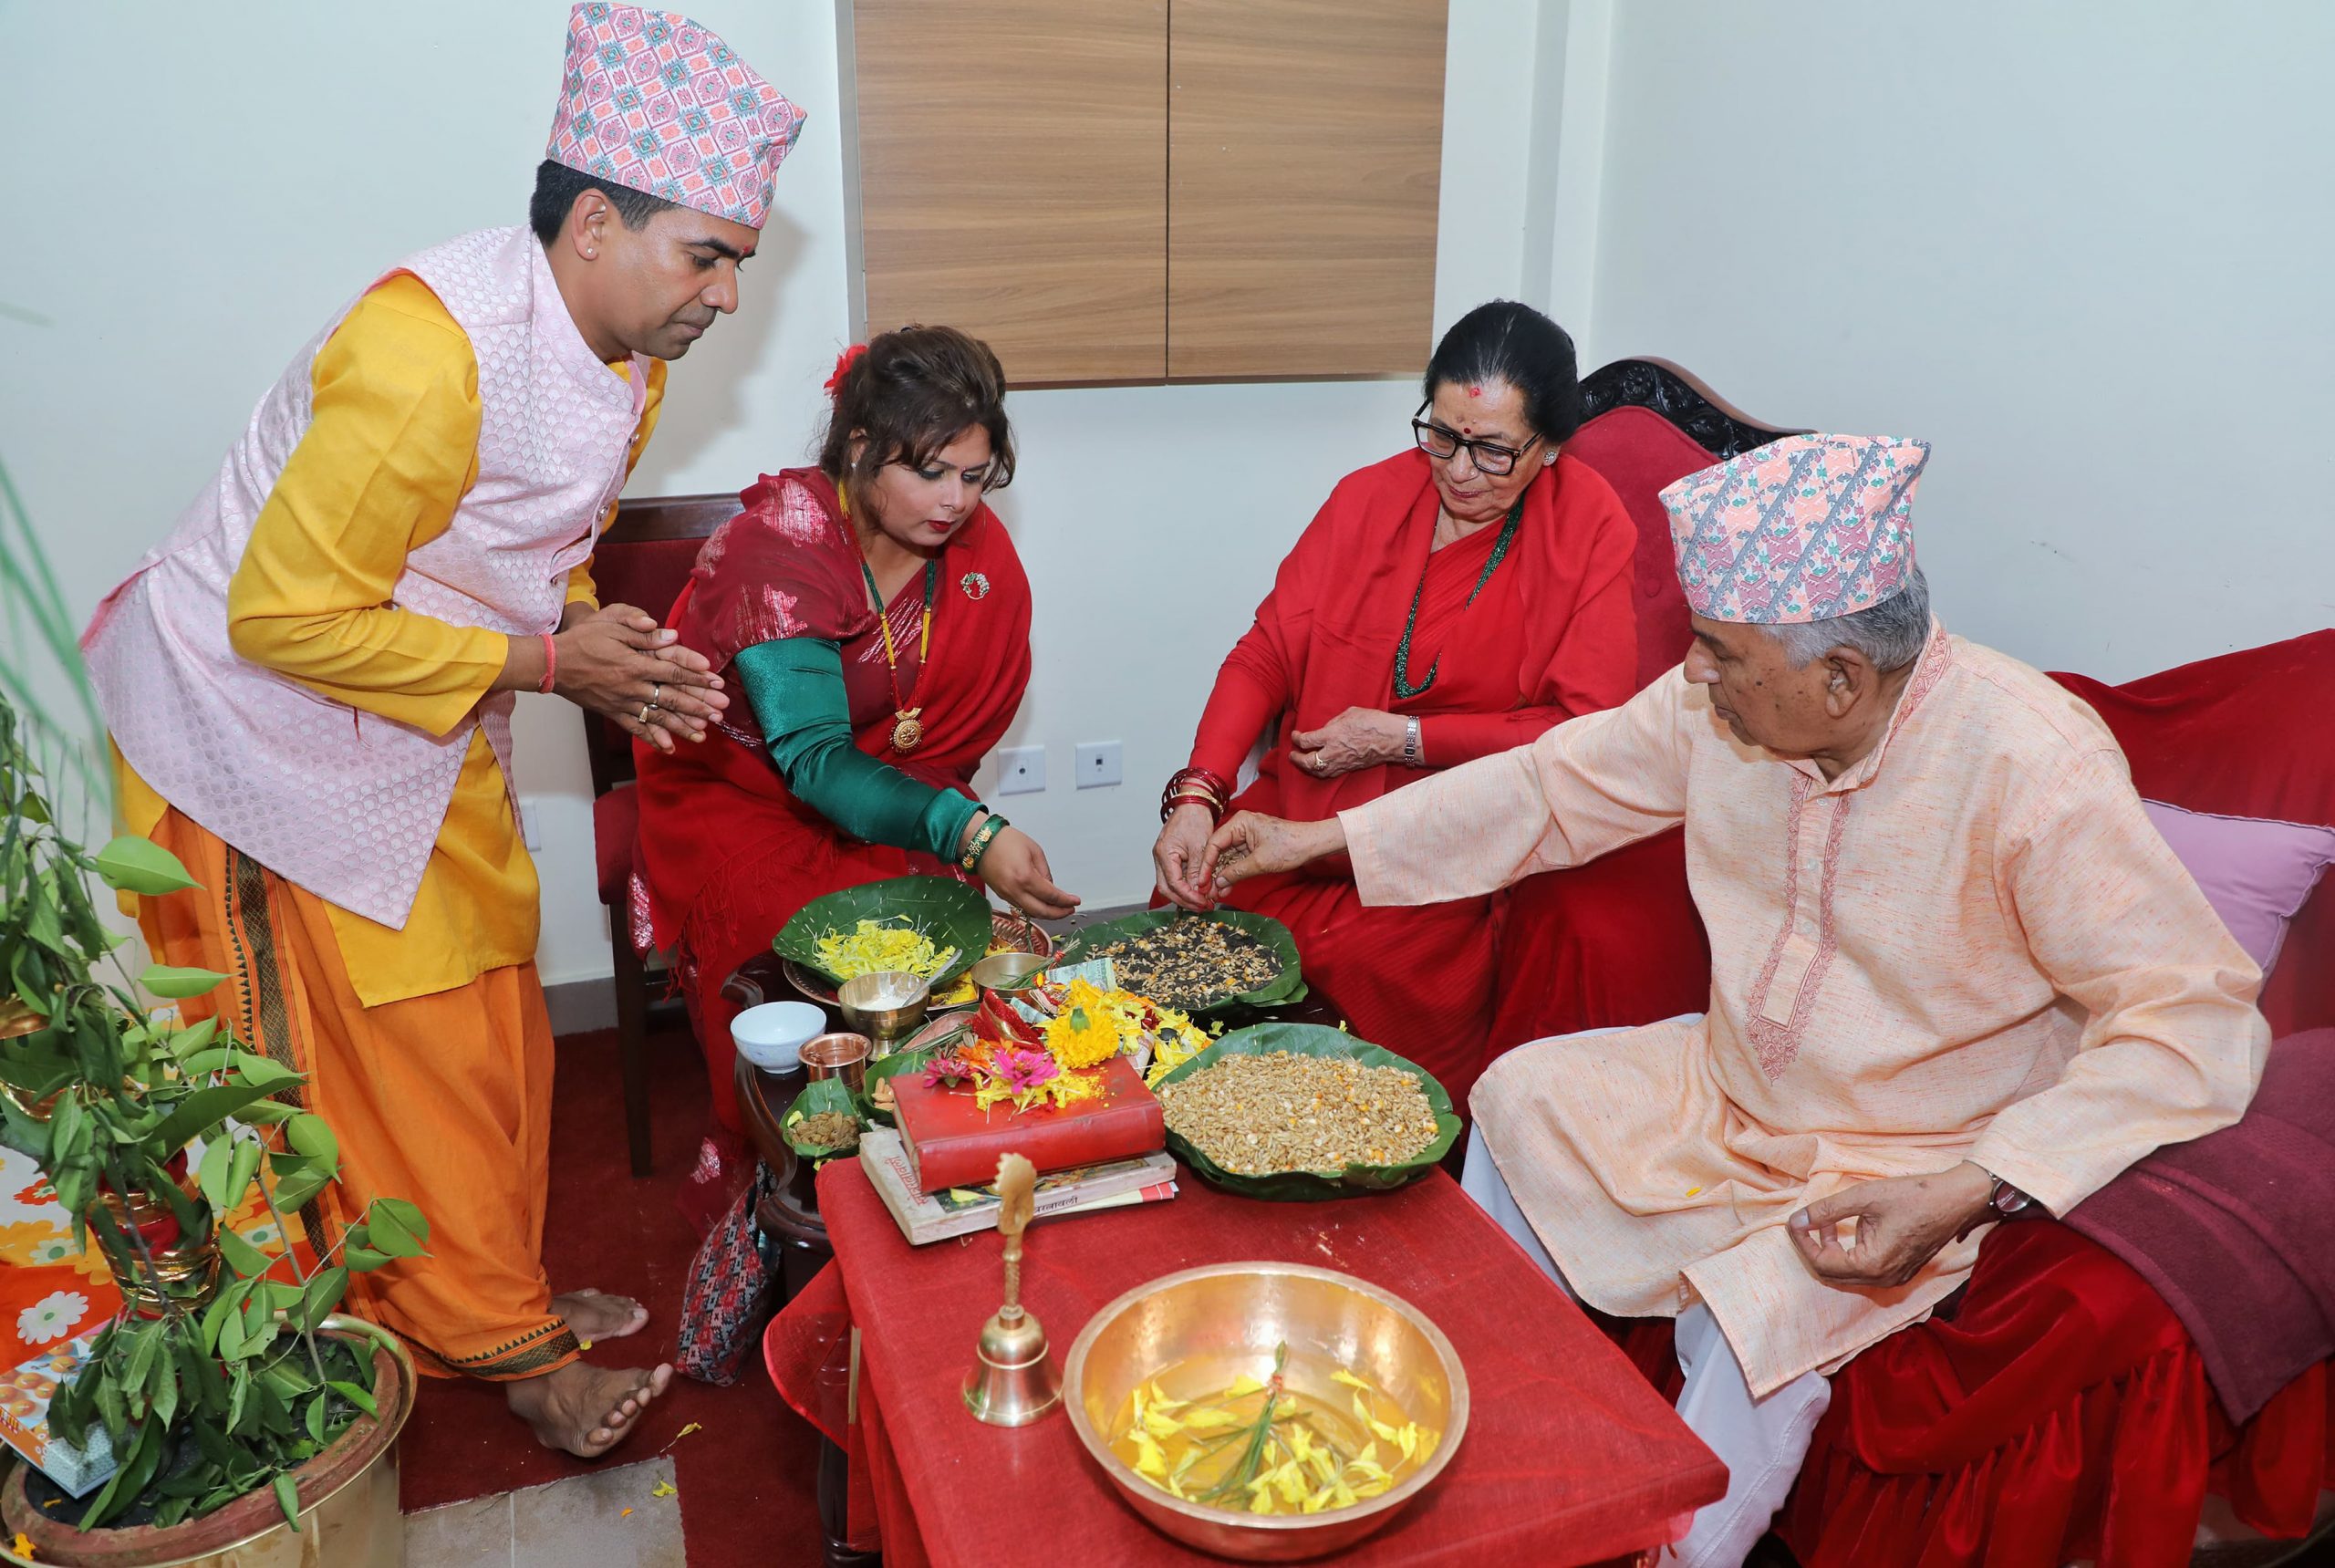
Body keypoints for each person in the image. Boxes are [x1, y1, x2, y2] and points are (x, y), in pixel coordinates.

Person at [1199, 433, 2268, 1565]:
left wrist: (1967, 1191)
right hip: (1728, 1082)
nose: (1692, 674)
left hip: (1908, 1145)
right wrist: (1317, 841)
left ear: (1839, 677)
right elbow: (1550, 784)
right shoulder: (1725, 710)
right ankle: (1496, 1403)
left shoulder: (2032, 769)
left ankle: (1658, 1548)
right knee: (1519, 1098)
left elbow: (2192, 1016)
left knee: (1756, 1310)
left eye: (1717, 652)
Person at [78, 4, 804, 1459]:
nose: (726, 294)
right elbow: (280, 617)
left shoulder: (629, 359)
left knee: (489, 1020)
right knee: (375, 1057)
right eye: (706, 253)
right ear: (595, 221)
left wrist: (610, 641)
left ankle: (487, 1292)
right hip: (249, 730)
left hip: (406, 714)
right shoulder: (427, 353)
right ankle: (507, 1354)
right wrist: (551, 659)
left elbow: (541, 532)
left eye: (740, 261)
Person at [1151, 301, 1639, 1108]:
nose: (1456, 469)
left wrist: (1407, 737)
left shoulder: (1590, 530)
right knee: (1194, 916)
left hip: (1449, 834)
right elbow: (1267, 650)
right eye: (1441, 434)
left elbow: (1584, 730)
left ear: (1549, 448)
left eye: (1491, 451)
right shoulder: (1369, 498)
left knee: (1364, 975)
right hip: (1307, 797)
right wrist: (1198, 793)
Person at [634, 327, 1078, 1164]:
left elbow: (945, 722)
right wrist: (973, 834)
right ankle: (797, 1173)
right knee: (806, 946)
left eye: (975, 477)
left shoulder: (975, 555)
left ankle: (935, 1150)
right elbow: (814, 762)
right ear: (863, 449)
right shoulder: (777, 552)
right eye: (929, 471)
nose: (954, 501)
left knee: (944, 944)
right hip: (740, 790)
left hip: (883, 790)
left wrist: (948, 822)